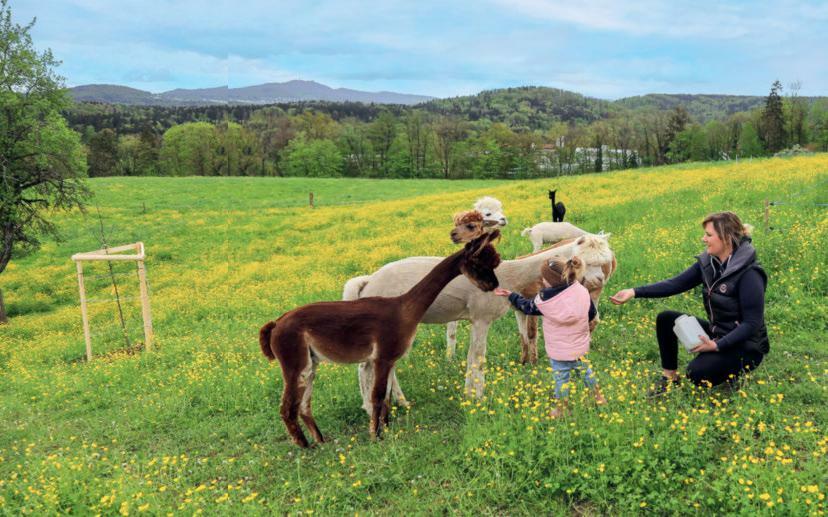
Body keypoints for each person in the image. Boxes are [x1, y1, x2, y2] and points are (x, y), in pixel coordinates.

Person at [610, 211, 769, 395]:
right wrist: (634, 292)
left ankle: (733, 373)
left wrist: (717, 346)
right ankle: (670, 377)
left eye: (708, 235)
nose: (703, 239)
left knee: (697, 373)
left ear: (726, 238)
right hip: (718, 333)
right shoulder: (710, 263)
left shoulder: (750, 273)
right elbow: (676, 284)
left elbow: (752, 323)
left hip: (746, 346)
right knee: (666, 319)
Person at [495, 255, 605, 417]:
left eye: (544, 278)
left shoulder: (544, 301)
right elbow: (591, 314)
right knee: (585, 371)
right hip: (579, 345)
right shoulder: (581, 291)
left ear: (550, 281)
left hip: (559, 351)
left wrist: (511, 295)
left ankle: (561, 408)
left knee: (561, 378)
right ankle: (598, 396)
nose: (542, 280)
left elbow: (526, 307)